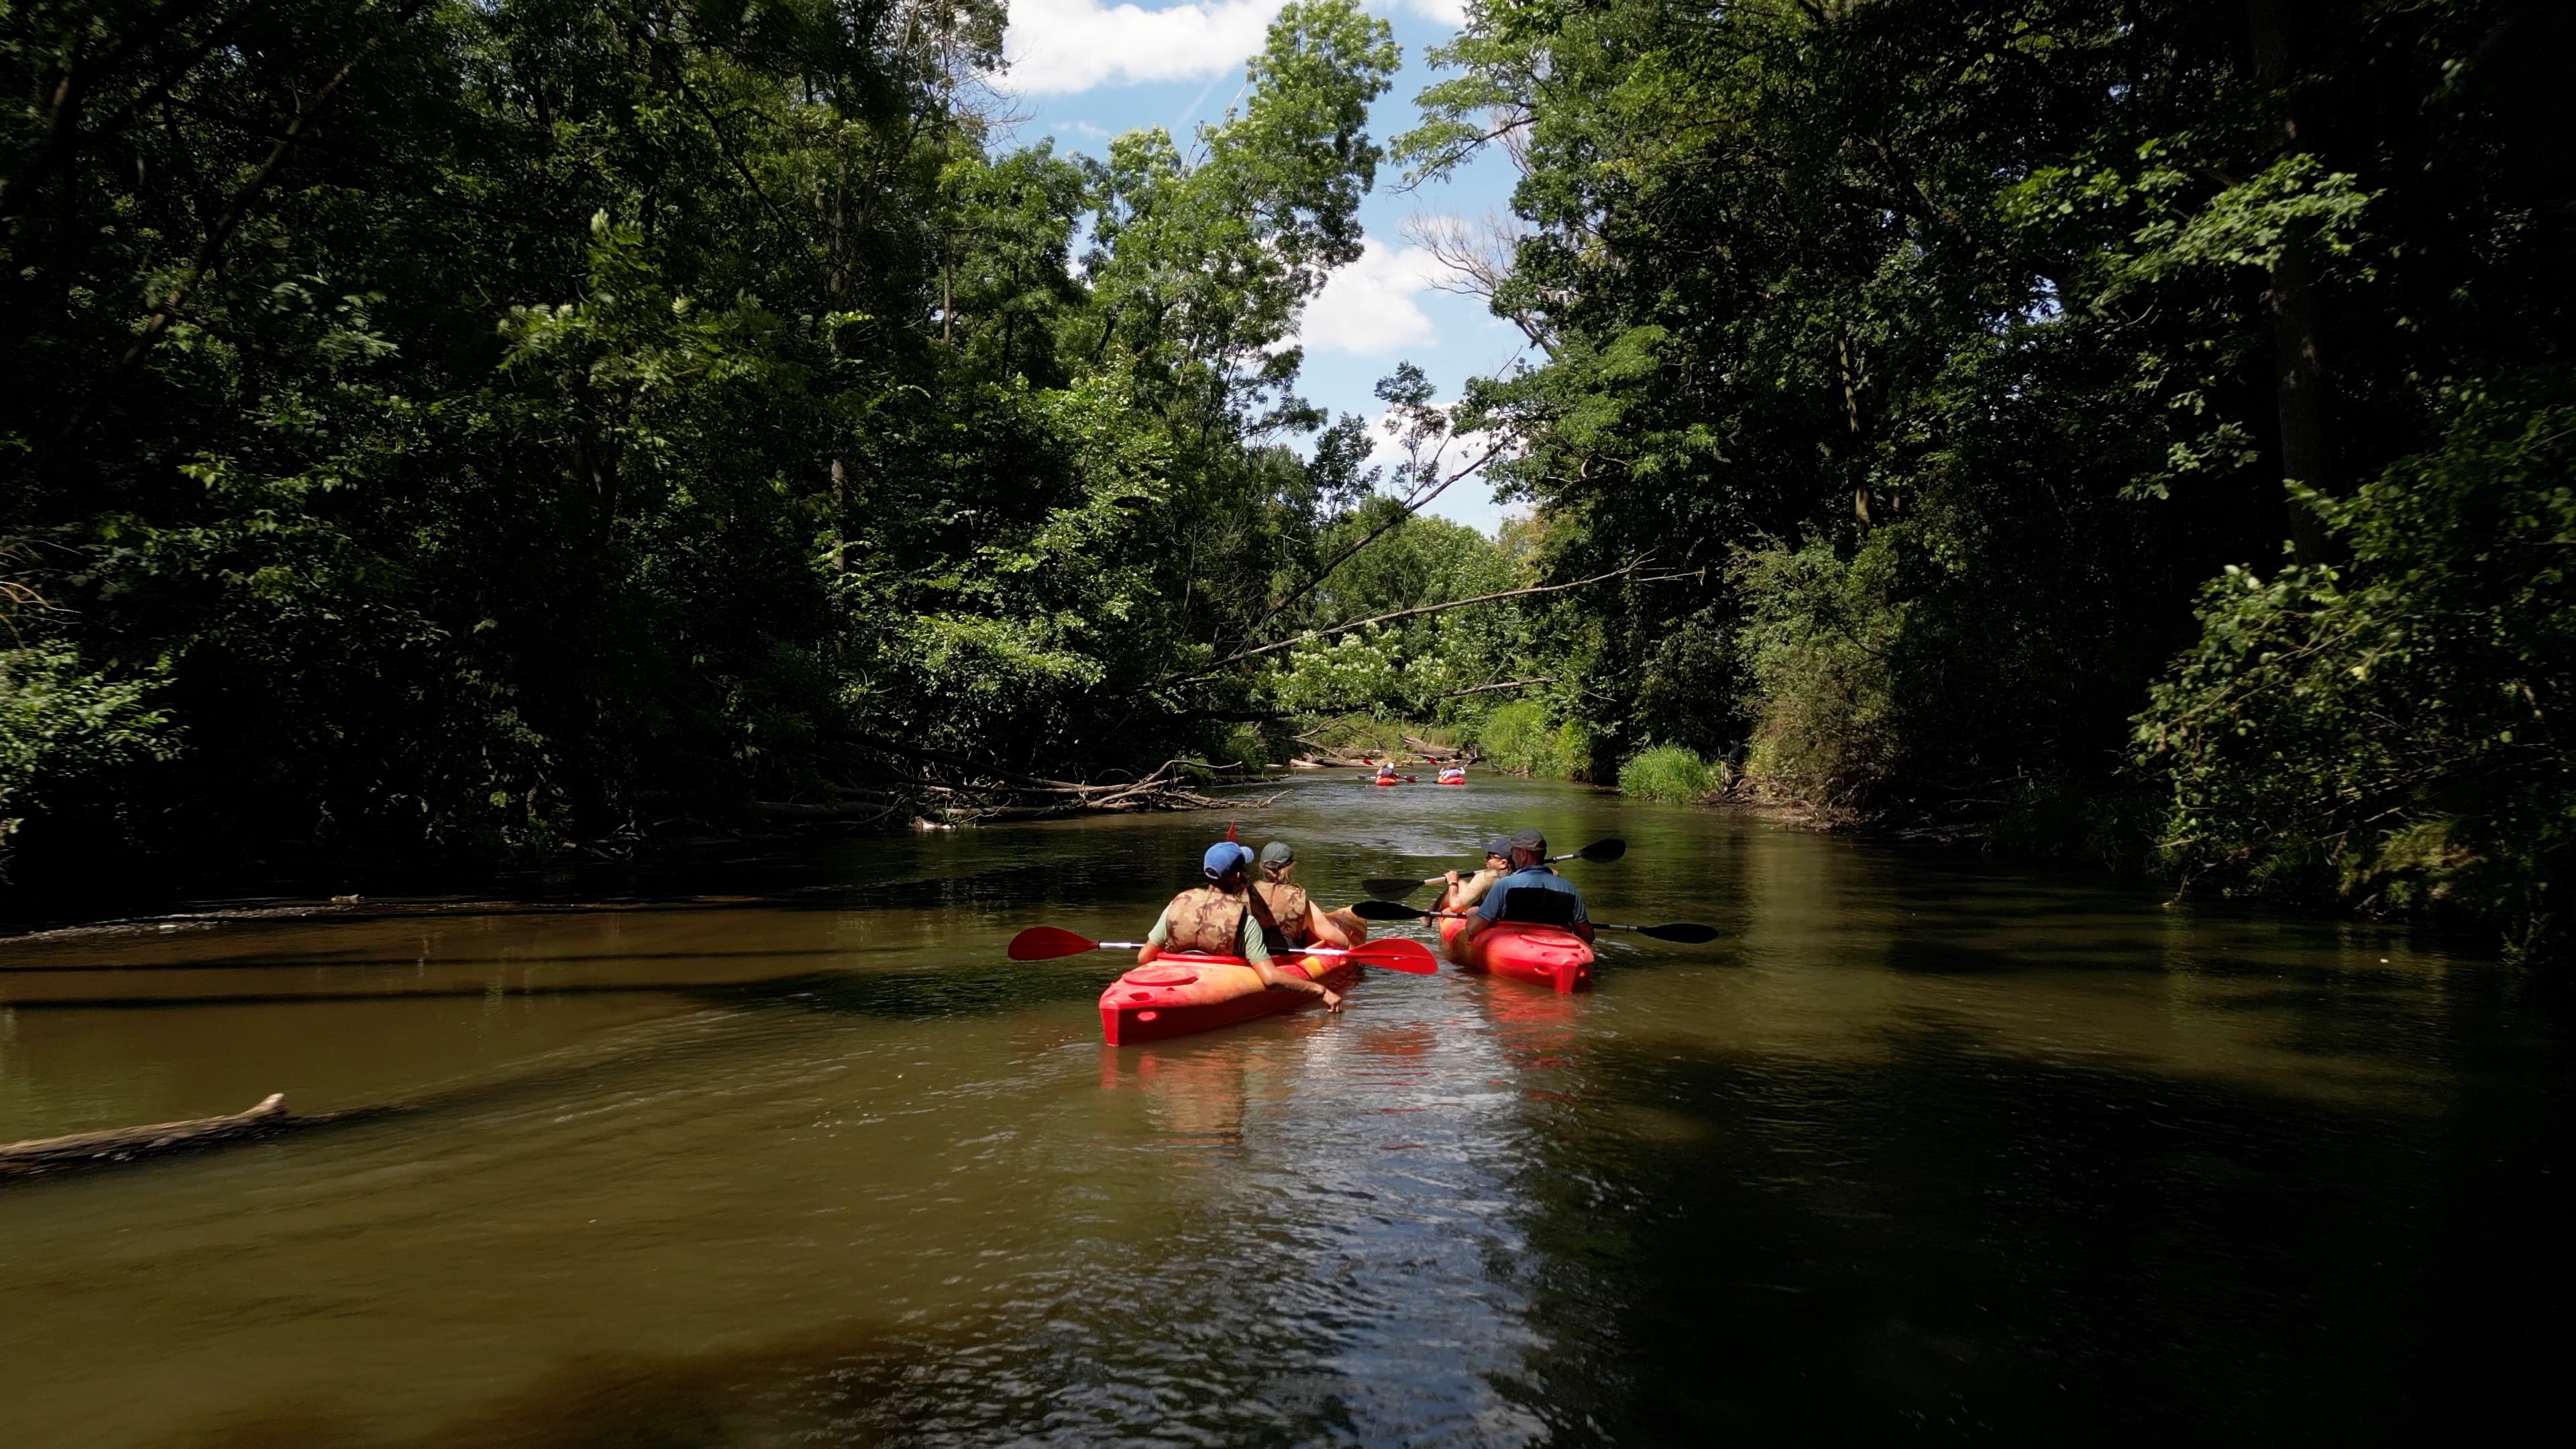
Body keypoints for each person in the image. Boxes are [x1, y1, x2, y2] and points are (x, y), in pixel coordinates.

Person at [1139, 841, 1344, 1010]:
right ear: (1239, 876)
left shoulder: (1176, 906)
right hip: (1221, 981)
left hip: (1181, 974)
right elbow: (1271, 978)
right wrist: (1321, 991)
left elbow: (1144, 957)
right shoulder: (1244, 920)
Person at [1461, 827, 1593, 953]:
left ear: (1523, 854)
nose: (1512, 858)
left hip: (1514, 947)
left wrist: (1472, 914)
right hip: (1556, 947)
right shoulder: (1568, 887)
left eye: (1513, 852)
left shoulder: (1505, 885)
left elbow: (1473, 929)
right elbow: (1588, 936)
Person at [1254, 841, 1364, 951]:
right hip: (1284, 959)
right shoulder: (1301, 901)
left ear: (1261, 866)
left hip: (1247, 958)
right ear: (1291, 868)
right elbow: (1338, 941)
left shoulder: (1245, 893)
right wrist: (1347, 941)